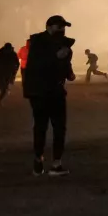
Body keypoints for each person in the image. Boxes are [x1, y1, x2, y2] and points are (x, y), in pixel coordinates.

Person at [23, 15, 75, 176]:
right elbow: (34, 67)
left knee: (56, 128)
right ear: (49, 27)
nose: (62, 29)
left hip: (54, 92)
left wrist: (69, 72)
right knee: (43, 127)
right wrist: (56, 58)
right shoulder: (38, 44)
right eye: (59, 26)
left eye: (64, 27)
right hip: (41, 92)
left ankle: (54, 164)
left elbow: (67, 69)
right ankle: (40, 161)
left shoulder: (63, 46)